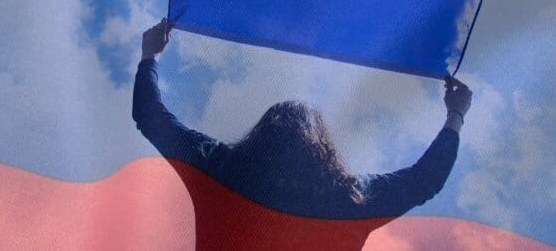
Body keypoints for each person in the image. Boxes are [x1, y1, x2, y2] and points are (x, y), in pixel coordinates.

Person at [133, 19, 471, 250]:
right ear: (320, 147)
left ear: (261, 135)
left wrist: (149, 56)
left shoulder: (218, 167)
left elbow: (151, 118)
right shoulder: (351, 198)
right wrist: (455, 114)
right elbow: (425, 180)